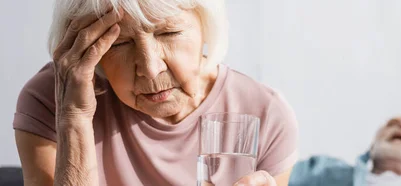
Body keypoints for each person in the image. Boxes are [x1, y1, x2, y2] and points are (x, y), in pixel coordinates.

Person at [13, 0, 298, 185]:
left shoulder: (265, 112)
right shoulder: (51, 100)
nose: (150, 69)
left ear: (206, 28)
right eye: (119, 44)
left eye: (168, 33)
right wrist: (73, 118)